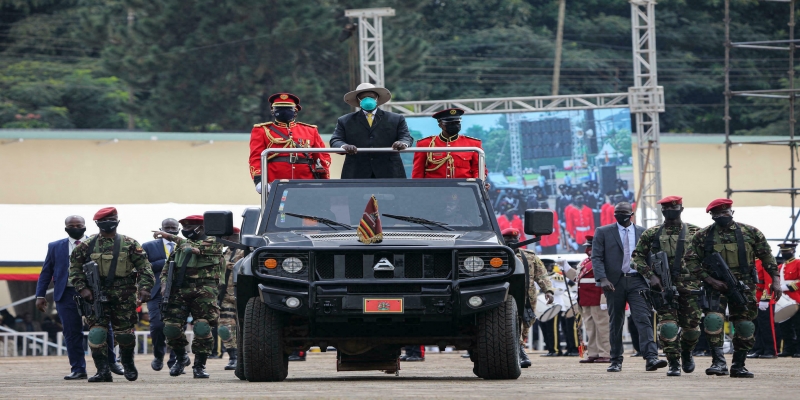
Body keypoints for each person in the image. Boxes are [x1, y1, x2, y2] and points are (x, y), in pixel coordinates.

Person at [684, 198, 782, 378]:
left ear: (732, 212)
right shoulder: (703, 235)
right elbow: (690, 260)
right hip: (715, 286)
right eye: (718, 214)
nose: (722, 216)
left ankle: (739, 365)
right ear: (712, 216)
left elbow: (767, 257)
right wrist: (710, 280)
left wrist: (776, 280)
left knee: (745, 325)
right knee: (713, 320)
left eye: (725, 212)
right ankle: (718, 363)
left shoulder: (750, 232)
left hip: (744, 285)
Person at [69, 207, 155, 382]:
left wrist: (145, 288)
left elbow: (145, 268)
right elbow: (74, 270)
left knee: (124, 334)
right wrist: (83, 289)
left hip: (124, 294)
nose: (108, 223)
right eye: (104, 220)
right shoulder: (86, 245)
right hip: (94, 296)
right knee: (96, 334)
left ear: (117, 221)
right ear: (97, 223)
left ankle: (128, 363)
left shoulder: (130, 243)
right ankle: (103, 371)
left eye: (111, 219)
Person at [36, 215, 124, 379]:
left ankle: (111, 362)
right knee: (71, 332)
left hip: (92, 292)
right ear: (65, 227)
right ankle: (78, 368)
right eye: (72, 225)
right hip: (66, 293)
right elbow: (46, 272)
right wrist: (40, 295)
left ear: (85, 226)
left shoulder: (96, 243)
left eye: (79, 225)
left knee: (104, 328)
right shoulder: (55, 246)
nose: (75, 227)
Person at [630, 196, 702, 376]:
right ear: (662, 211)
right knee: (668, 327)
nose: (670, 211)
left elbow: (709, 257)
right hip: (662, 288)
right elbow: (636, 258)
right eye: (666, 209)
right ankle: (673, 363)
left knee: (692, 329)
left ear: (681, 209)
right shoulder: (652, 233)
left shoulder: (695, 232)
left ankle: (686, 352)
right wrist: (651, 275)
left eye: (674, 208)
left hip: (690, 288)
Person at [591, 201, 666, 372]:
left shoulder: (642, 232)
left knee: (643, 318)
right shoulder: (603, 232)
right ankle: (616, 360)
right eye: (616, 212)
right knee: (616, 322)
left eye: (623, 212)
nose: (619, 215)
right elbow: (597, 257)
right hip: (613, 283)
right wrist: (602, 279)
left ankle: (651, 358)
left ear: (630, 214)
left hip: (637, 280)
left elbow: (651, 257)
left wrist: (653, 277)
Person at [154, 215, 225, 379]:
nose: (186, 231)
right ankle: (181, 358)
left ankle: (199, 366)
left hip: (204, 292)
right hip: (179, 291)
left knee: (202, 327)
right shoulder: (180, 247)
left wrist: (169, 236)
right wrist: (164, 285)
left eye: (189, 227)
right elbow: (167, 269)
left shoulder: (215, 242)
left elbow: (193, 247)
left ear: (201, 228)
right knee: (170, 328)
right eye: (184, 228)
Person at [248, 92, 331, 194]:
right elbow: (256, 158)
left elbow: (322, 157)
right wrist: (259, 181)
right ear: (272, 111)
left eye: (288, 108)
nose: (283, 111)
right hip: (275, 183)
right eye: (279, 108)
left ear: (295, 111)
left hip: (306, 182)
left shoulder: (310, 130)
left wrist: (324, 180)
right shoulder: (262, 130)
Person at [330, 82, 413, 179]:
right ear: (358, 100)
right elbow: (335, 140)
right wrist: (344, 146)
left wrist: (402, 143)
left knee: (393, 194)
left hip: (389, 170)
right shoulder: (345, 120)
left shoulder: (396, 119)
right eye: (363, 98)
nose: (368, 100)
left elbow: (406, 137)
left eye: (371, 97)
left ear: (377, 98)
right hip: (356, 171)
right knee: (356, 195)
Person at [503, 228, 554, 367]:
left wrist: (548, 290)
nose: (511, 243)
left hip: (526, 297)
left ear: (519, 240)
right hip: (504, 297)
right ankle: (519, 351)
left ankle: (519, 348)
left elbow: (541, 275)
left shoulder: (529, 256)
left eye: (514, 240)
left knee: (526, 323)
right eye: (507, 240)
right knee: (507, 324)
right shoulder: (497, 255)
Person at [561, 236, 611, 363]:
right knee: (590, 328)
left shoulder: (605, 261)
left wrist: (604, 299)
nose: (587, 249)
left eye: (590, 247)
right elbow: (577, 279)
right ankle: (593, 352)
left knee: (602, 328)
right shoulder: (585, 262)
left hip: (598, 299)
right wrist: (566, 267)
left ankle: (606, 353)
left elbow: (606, 281)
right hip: (585, 299)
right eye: (587, 247)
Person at [141, 218, 182, 372]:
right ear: (161, 229)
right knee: (157, 325)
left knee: (176, 327)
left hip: (179, 293)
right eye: (167, 228)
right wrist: (164, 262)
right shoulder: (148, 246)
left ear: (178, 230)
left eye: (173, 228)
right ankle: (159, 355)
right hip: (156, 292)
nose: (170, 230)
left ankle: (175, 361)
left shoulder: (184, 245)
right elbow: (142, 267)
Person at [411, 108, 487, 179]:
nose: (454, 125)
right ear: (440, 125)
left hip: (463, 188)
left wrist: (480, 184)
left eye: (457, 122)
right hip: (435, 188)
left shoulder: (473, 144)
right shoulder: (425, 144)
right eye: (450, 123)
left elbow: (479, 169)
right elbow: (418, 172)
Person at [219, 228, 243, 369]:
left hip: (242, 295)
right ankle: (233, 357)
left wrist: (223, 265)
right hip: (226, 296)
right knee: (225, 328)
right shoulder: (225, 252)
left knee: (246, 328)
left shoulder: (246, 251)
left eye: (230, 237)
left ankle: (244, 356)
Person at [749, 259, 778, 359]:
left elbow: (769, 281)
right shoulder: (751, 261)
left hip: (764, 298)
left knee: (767, 326)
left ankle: (770, 350)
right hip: (754, 297)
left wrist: (765, 298)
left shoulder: (763, 261)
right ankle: (758, 349)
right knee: (756, 325)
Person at [777, 243, 800, 357]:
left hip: (795, 298)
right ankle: (788, 349)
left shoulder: (798, 263)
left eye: (786, 251)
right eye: (782, 251)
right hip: (783, 299)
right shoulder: (781, 267)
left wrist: (790, 286)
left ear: (793, 251)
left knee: (798, 325)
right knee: (785, 326)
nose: (784, 253)